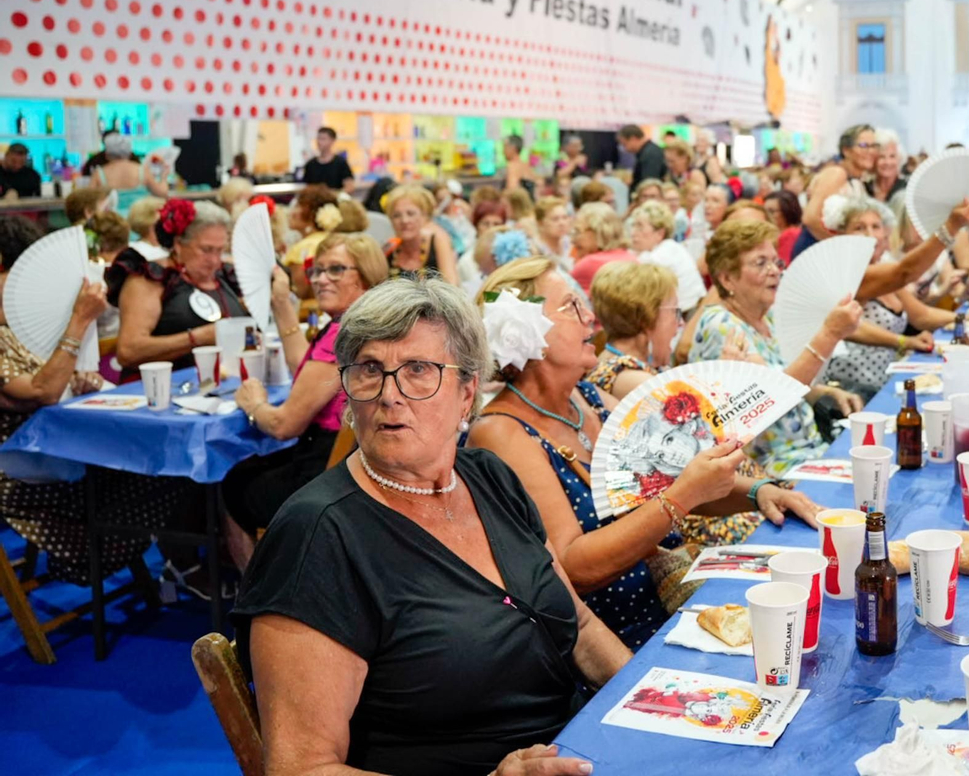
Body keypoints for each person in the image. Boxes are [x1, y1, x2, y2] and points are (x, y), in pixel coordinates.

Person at [232, 276, 631, 776]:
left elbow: (583, 626)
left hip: (579, 745)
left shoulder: (489, 477)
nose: (389, 394)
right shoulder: (317, 537)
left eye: (418, 370)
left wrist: (652, 699)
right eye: (369, 370)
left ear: (467, 394)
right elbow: (300, 768)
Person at [467, 256, 822, 649]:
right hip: (620, 638)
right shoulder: (501, 432)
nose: (590, 319)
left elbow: (668, 484)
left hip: (677, 603)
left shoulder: (587, 397)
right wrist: (684, 494)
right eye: (571, 306)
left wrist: (760, 493)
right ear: (524, 331)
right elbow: (572, 567)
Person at [0, 219, 186, 586]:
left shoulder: (15, 331)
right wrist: (80, 320)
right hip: (27, 471)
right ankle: (91, 561)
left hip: (66, 452)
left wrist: (77, 381)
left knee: (169, 471)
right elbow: (41, 392)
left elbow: (53, 384)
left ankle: (166, 563)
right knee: (158, 470)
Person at [225, 234, 387, 552]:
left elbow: (285, 426)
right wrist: (282, 304)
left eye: (336, 270)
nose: (321, 279)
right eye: (317, 270)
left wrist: (253, 404)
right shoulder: (369, 325)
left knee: (233, 482)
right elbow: (309, 368)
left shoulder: (343, 334)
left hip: (323, 475)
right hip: (360, 468)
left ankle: (254, 591)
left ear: (366, 276)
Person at [686, 219, 864, 475]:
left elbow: (780, 375)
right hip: (769, 468)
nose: (775, 271)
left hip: (810, 450)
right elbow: (772, 398)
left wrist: (820, 392)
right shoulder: (720, 324)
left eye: (776, 261)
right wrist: (830, 334)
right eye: (761, 263)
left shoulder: (767, 316)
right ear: (727, 279)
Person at [824, 197, 957, 398]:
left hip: (885, 380)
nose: (870, 235)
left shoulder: (884, 268)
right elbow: (905, 273)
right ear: (843, 235)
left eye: (876, 226)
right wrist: (905, 341)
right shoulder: (848, 272)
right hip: (852, 388)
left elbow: (922, 316)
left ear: (885, 232)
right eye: (859, 228)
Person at [112, 199, 247, 372]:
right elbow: (128, 351)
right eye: (206, 250)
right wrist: (196, 338)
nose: (214, 260)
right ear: (178, 244)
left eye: (220, 250)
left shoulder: (225, 277)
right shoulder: (151, 279)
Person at [587, 262, 678, 400]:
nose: (680, 322)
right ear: (648, 316)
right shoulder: (636, 381)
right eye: (675, 311)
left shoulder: (611, 361)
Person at [792, 124, 877, 262]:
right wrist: (843, 249)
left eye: (874, 146)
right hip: (816, 251)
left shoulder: (858, 181)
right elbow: (810, 218)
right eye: (863, 145)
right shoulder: (836, 174)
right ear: (846, 150)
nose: (871, 151)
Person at [626, 199, 704, 312]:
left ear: (660, 233)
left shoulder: (667, 250)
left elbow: (640, 266)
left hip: (688, 314)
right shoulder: (666, 247)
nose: (633, 233)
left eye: (640, 227)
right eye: (633, 226)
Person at [384, 185, 459, 286]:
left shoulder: (438, 238)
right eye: (396, 215)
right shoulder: (389, 248)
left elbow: (452, 285)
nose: (404, 221)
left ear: (424, 216)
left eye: (410, 214)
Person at [285, 184, 344, 297]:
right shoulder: (336, 240)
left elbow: (300, 292)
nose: (291, 212)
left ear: (311, 214)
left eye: (297, 206)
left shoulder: (302, 248)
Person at [94, 132, 169, 213]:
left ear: (106, 154)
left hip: (112, 222)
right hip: (139, 220)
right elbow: (162, 193)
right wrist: (163, 177)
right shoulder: (142, 170)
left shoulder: (99, 173)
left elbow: (89, 200)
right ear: (130, 153)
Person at [569, 203, 635, 294]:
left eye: (577, 231)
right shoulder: (630, 257)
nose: (573, 240)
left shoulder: (590, 263)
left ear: (597, 232)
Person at [301, 125, 355, 192]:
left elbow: (349, 187)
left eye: (323, 139)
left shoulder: (340, 163)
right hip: (316, 201)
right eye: (318, 138)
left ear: (332, 141)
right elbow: (308, 187)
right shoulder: (310, 164)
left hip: (335, 200)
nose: (319, 142)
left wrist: (334, 195)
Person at [619, 124, 666, 195]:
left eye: (625, 144)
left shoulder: (650, 154)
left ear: (633, 139)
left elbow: (649, 183)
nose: (625, 149)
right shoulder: (648, 152)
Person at [530, 196, 574, 269]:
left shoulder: (572, 243)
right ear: (540, 223)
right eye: (555, 219)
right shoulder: (534, 249)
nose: (562, 223)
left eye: (565, 217)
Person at [867, 129, 905, 203]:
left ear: (899, 159)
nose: (887, 162)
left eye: (892, 156)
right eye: (881, 157)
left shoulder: (908, 188)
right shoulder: (864, 188)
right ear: (873, 160)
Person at [770, 189, 804, 264]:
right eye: (763, 210)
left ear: (787, 211)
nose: (766, 215)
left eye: (771, 211)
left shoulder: (791, 234)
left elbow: (783, 266)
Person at [503, 133, 536, 198]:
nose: (503, 151)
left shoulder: (513, 166)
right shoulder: (526, 165)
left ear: (512, 148)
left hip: (519, 205)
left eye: (505, 147)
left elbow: (512, 191)